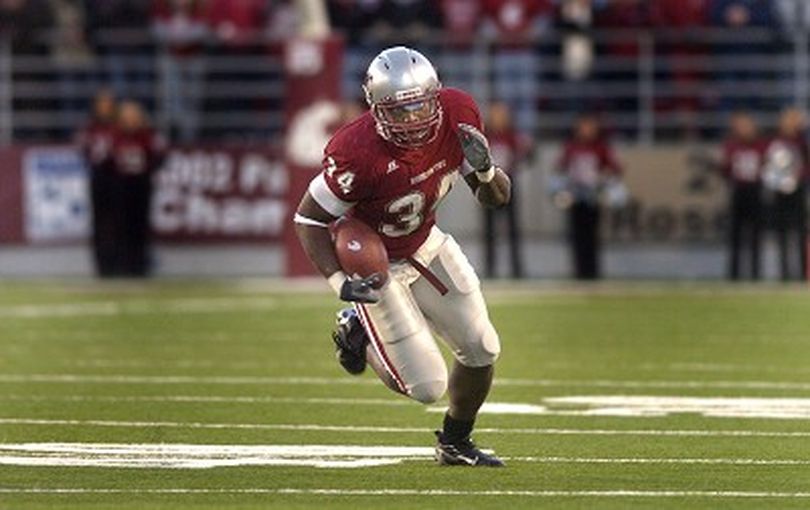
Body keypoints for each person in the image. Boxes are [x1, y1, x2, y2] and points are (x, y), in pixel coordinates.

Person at [294, 47, 510, 467]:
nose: (412, 119)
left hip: (426, 244)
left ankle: (455, 442)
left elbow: (495, 199)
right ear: (375, 109)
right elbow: (309, 219)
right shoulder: (356, 150)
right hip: (377, 267)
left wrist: (486, 171)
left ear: (436, 97)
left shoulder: (459, 111)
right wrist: (341, 283)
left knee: (482, 347)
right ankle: (355, 328)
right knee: (427, 386)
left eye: (419, 106)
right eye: (399, 111)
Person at [555, 114, 623, 280]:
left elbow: (615, 168)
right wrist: (563, 189)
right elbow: (559, 168)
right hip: (576, 195)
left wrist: (604, 179)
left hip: (593, 195)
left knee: (592, 235)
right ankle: (579, 271)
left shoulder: (600, 147)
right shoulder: (571, 147)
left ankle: (593, 271)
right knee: (577, 235)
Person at [110, 100, 167, 276]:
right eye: (127, 114)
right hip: (120, 185)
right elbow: (105, 159)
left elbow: (160, 155)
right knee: (120, 226)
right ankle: (121, 266)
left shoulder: (148, 135)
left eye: (133, 114)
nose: (131, 118)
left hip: (141, 185)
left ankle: (140, 266)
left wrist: (149, 170)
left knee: (140, 227)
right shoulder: (115, 134)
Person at [482, 101, 530, 278]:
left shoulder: (512, 136)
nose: (498, 118)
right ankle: (490, 268)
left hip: (508, 185)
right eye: (495, 114)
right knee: (489, 231)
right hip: (487, 186)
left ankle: (517, 269)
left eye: (501, 114)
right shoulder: (485, 136)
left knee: (513, 230)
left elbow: (527, 154)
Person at [763, 108, 809, 281]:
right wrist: (778, 181)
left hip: (797, 190)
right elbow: (768, 167)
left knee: (799, 232)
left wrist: (797, 177)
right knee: (783, 233)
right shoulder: (776, 142)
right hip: (779, 192)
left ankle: (802, 273)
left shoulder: (801, 142)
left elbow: (806, 165)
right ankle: (785, 273)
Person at [76, 89, 118, 276]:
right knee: (100, 223)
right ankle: (102, 265)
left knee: (118, 222)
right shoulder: (90, 128)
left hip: (119, 178)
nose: (105, 108)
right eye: (102, 104)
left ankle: (120, 262)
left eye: (108, 104)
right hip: (99, 177)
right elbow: (83, 150)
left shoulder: (119, 127)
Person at [721, 112, 765, 280]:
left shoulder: (761, 145)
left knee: (755, 236)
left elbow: (767, 167)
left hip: (755, 190)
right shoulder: (732, 145)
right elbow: (725, 170)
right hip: (738, 190)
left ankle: (755, 274)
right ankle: (734, 275)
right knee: (736, 235)